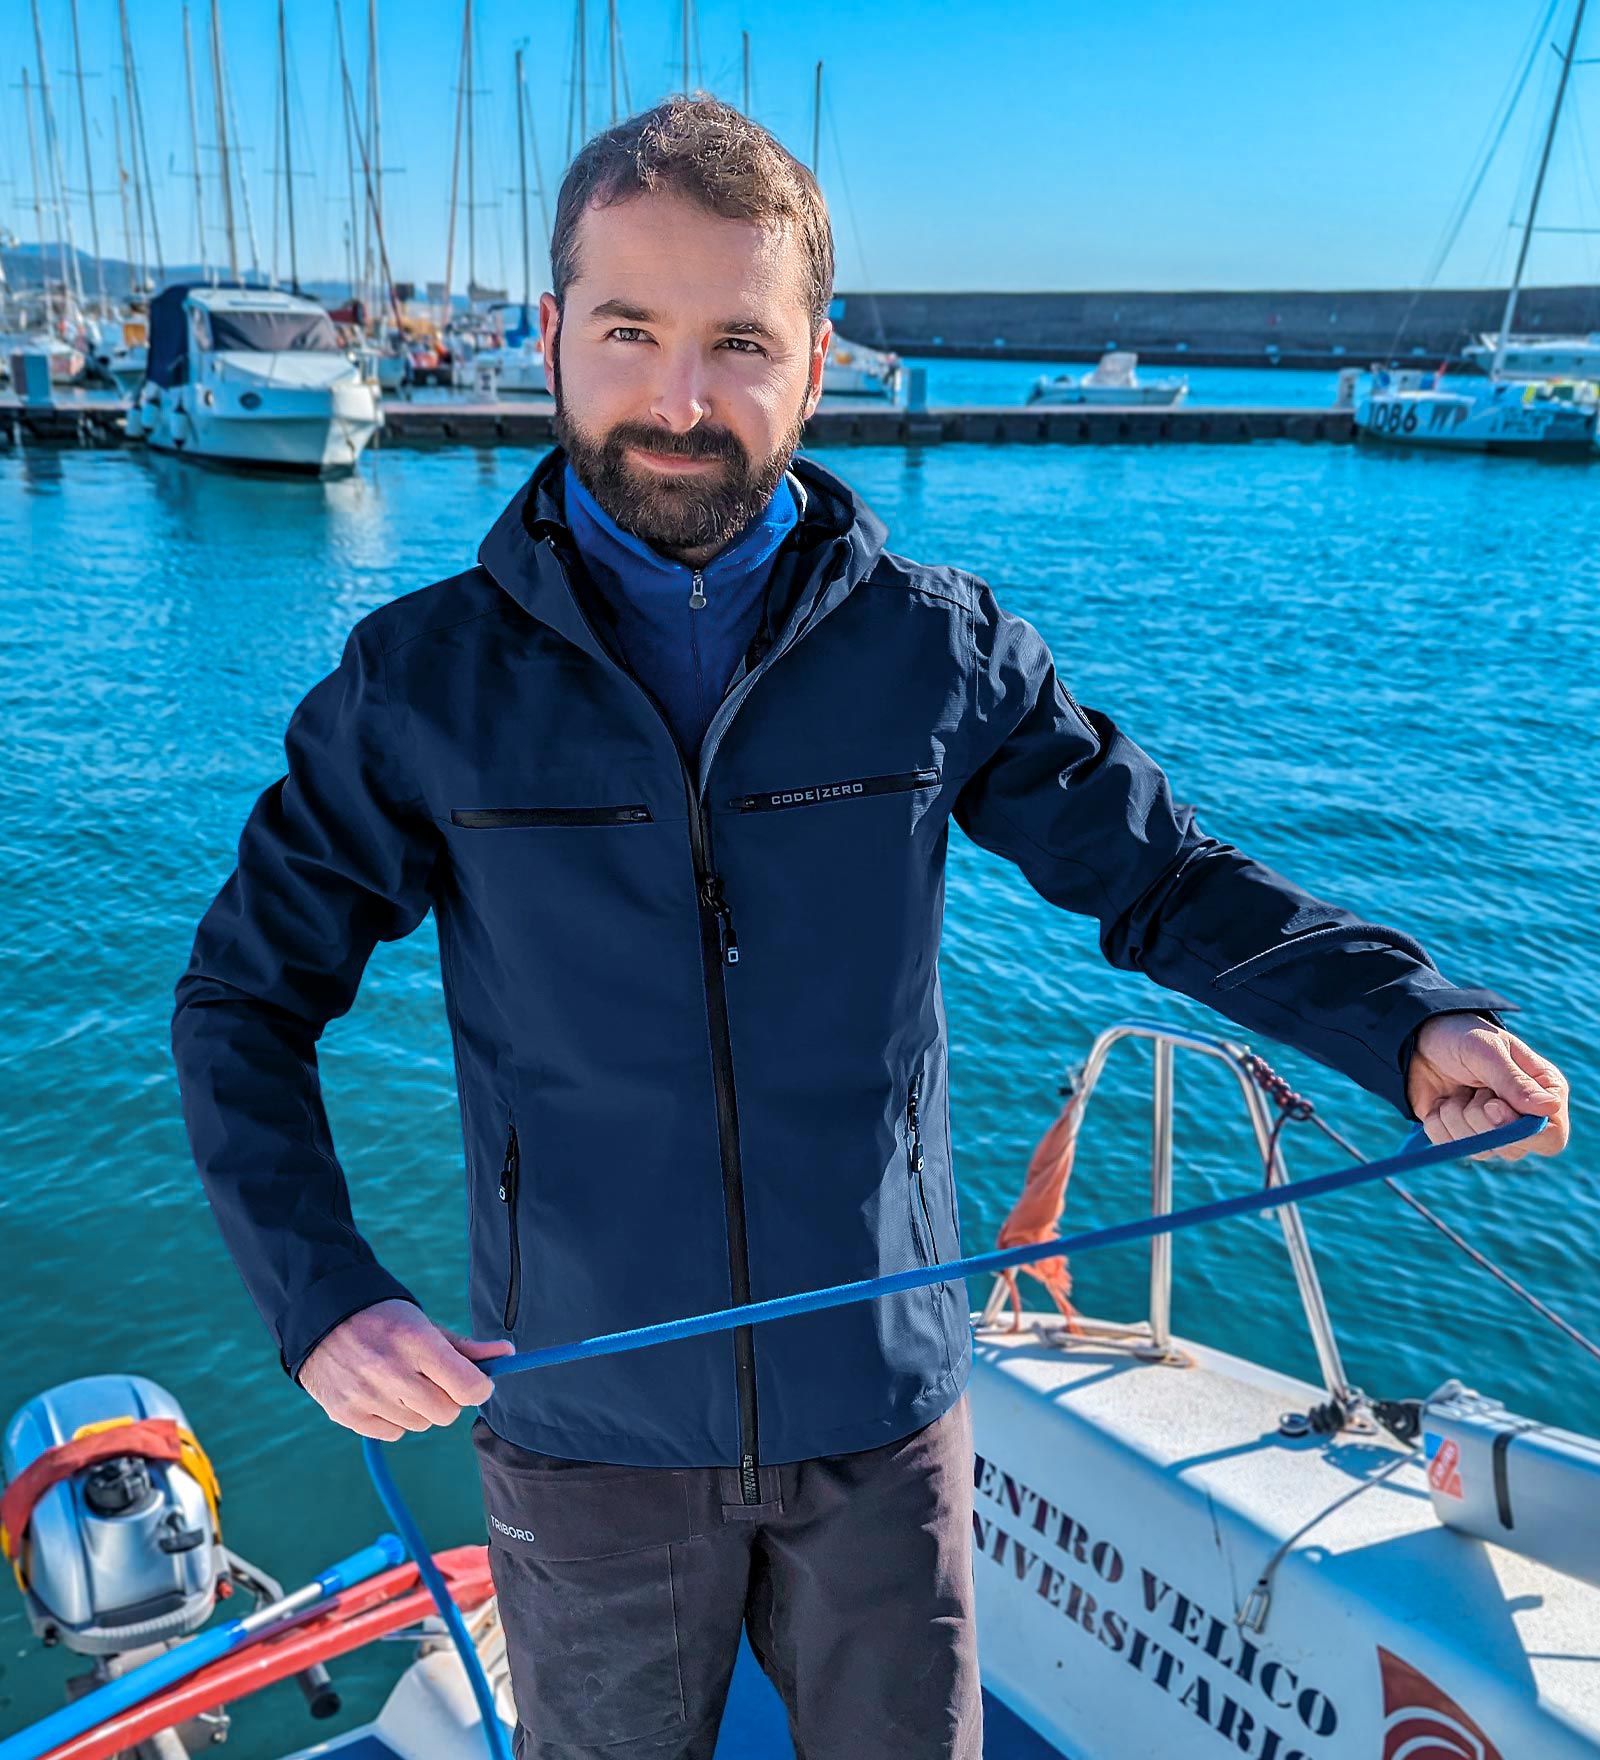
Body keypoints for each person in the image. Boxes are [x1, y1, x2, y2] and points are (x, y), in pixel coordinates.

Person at [170, 95, 1571, 1760]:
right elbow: (241, 1003)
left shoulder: (937, 652)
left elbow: (1163, 879)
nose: (680, 400)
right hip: (587, 1437)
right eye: (629, 331)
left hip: (885, 1424)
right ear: (549, 337)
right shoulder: (421, 686)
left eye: (738, 342)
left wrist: (1404, 1024)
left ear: (817, 359)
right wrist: (321, 1294)